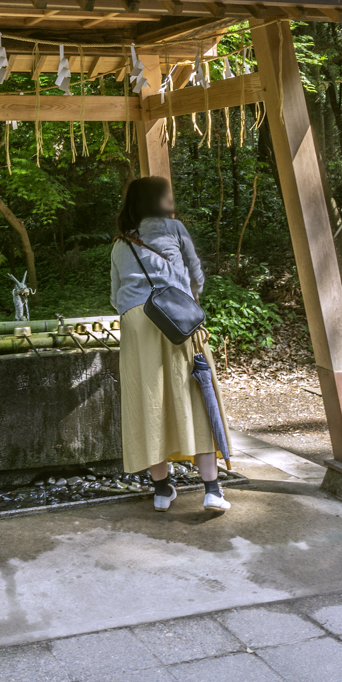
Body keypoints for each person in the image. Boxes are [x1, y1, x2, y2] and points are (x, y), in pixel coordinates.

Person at [110, 176, 230, 513]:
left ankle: (162, 491)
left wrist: (136, 310)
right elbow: (197, 274)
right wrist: (187, 297)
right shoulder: (173, 229)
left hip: (135, 322)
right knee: (194, 396)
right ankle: (212, 490)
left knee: (148, 402)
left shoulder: (120, 244)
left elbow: (113, 294)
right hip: (175, 319)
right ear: (159, 200)